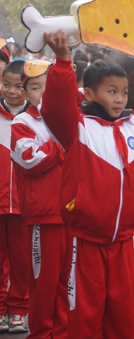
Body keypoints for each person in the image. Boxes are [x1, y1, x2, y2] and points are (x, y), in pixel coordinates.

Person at [40, 30, 134, 339]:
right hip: (85, 243)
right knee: (85, 317)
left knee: (122, 318)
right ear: (90, 93)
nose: (120, 97)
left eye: (124, 91)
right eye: (111, 91)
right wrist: (62, 61)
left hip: (124, 243)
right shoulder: (77, 127)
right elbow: (55, 107)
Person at [10, 60, 70, 338]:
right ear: (25, 93)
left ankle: (63, 331)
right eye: (35, 87)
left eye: (48, 86)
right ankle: (42, 333)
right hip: (44, 215)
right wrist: (60, 145)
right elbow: (30, 159)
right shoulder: (23, 121)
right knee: (44, 281)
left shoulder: (71, 116)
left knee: (67, 280)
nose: (43, 93)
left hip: (73, 212)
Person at [0, 61, 31, 334]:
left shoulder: (36, 118)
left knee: (23, 261)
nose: (11, 92)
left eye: (19, 86)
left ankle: (19, 310)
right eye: (5, 84)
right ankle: (0, 310)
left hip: (25, 205)